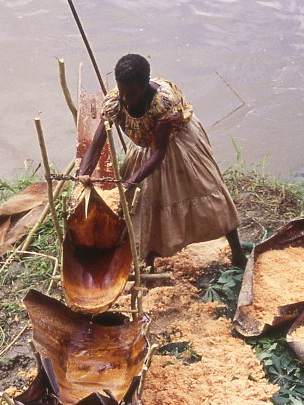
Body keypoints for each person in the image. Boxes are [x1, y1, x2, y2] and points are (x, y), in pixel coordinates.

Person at [78, 53, 245, 267]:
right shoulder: (115, 101)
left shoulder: (163, 102)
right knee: (147, 203)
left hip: (179, 142)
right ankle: (150, 260)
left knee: (208, 192)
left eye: (133, 93)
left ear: (144, 86)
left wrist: (130, 182)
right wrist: (83, 173)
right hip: (145, 144)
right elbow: (97, 142)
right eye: (123, 92)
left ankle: (238, 253)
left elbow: (159, 152)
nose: (127, 99)